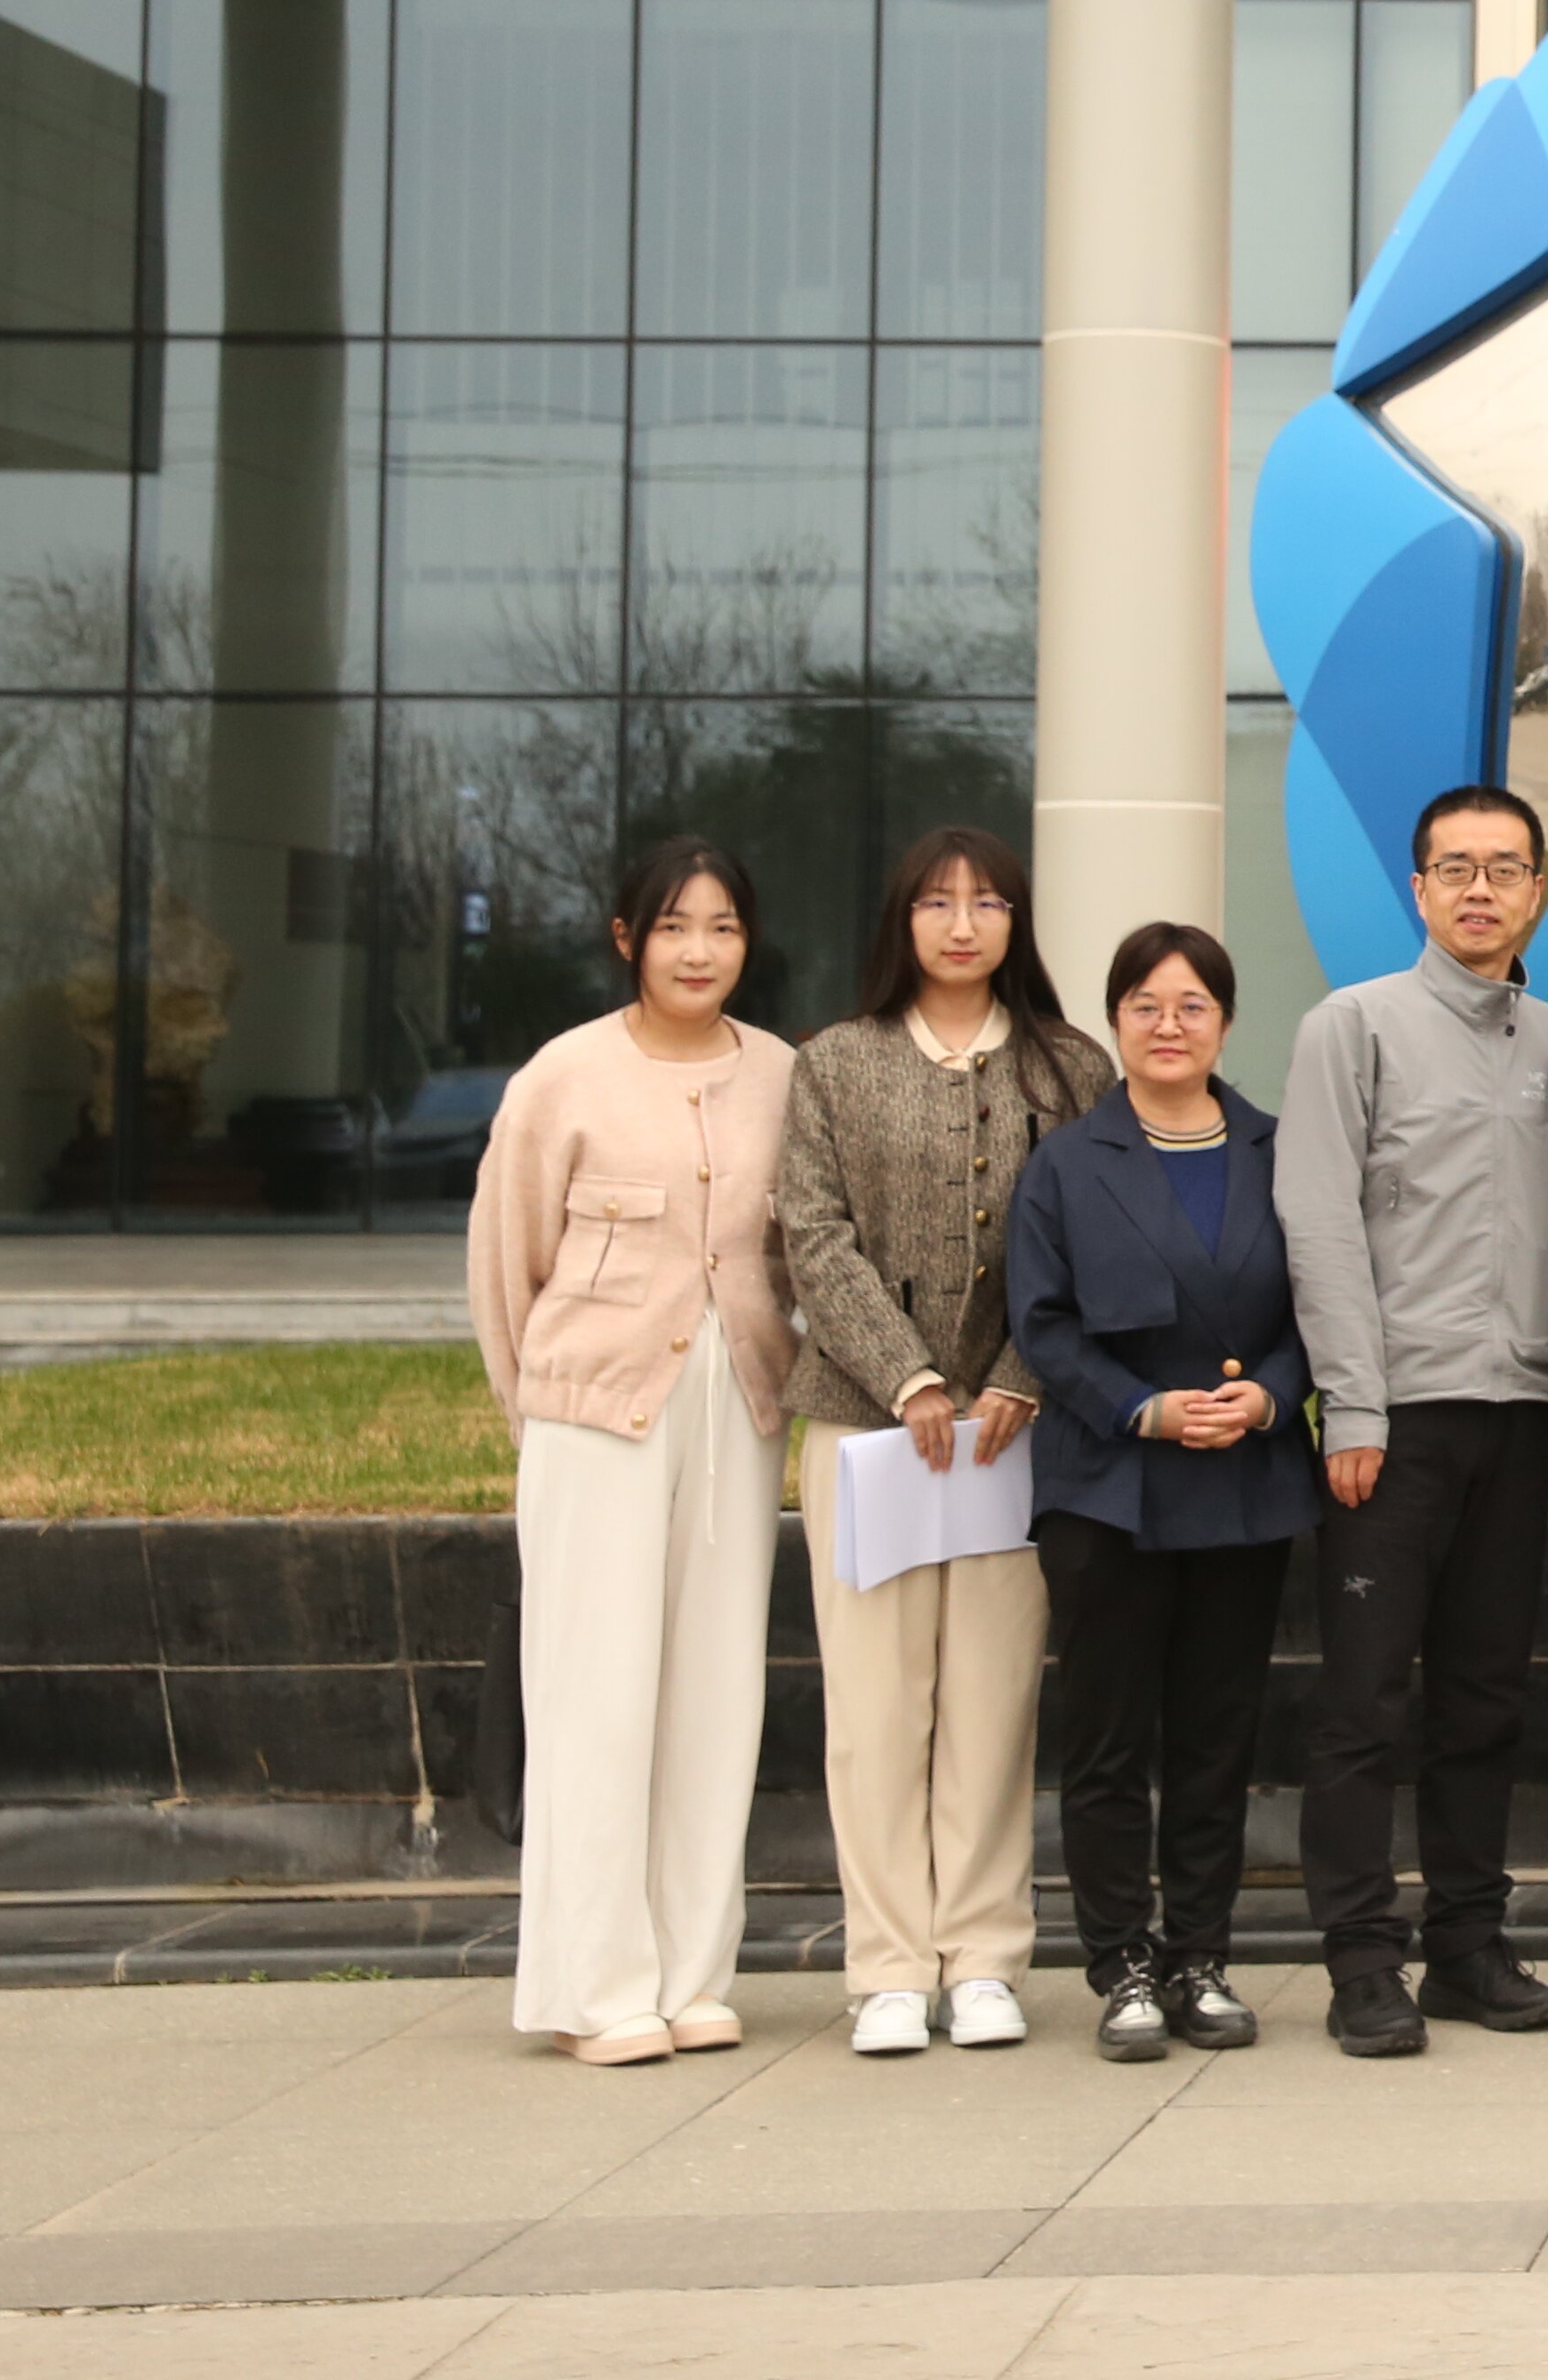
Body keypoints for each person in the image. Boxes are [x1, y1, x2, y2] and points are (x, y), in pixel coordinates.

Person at [774, 825, 1113, 2060]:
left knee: (991, 1703)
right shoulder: (835, 1063)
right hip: (868, 1431)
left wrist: (1020, 1374)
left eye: (986, 903)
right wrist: (908, 1375)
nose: (962, 924)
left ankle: (981, 1958)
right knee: (875, 1708)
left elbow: (1097, 1236)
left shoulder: (1071, 1065)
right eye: (935, 901)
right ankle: (885, 1967)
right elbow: (812, 1235)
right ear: (901, 920)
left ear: (1017, 921)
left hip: (1017, 1434)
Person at [464, 834, 795, 2066]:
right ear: (626, 939)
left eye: (722, 926)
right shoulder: (563, 1076)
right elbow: (506, 1264)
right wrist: (542, 1410)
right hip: (593, 1419)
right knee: (594, 1698)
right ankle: (596, 1988)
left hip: (738, 1415)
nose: (699, 951)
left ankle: (693, 1973)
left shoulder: (783, 1074)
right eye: (672, 927)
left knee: (717, 1695)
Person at [1274, 781, 1548, 2056]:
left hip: (1520, 1413)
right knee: (1363, 1702)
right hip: (1392, 1419)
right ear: (1418, 887)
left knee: (1484, 1699)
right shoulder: (1353, 1026)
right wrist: (1351, 1401)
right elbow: (1317, 1218)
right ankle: (1359, 1958)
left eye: (1504, 868)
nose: (1479, 890)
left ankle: (1466, 1944)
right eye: (1455, 867)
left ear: (1535, 890)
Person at [1008, 922, 1318, 2065]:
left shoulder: (1282, 1149)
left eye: (1192, 1004)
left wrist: (1272, 1395)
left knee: (1214, 1735)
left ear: (1225, 1022)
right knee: (1106, 1737)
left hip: (1243, 1480)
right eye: (1144, 1004)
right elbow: (1041, 1320)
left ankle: (1199, 1955)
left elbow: (1324, 1299)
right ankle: (1121, 1963)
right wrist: (1141, 1407)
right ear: (1114, 1022)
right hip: (1110, 1486)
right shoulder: (1065, 1162)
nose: (1168, 1024)